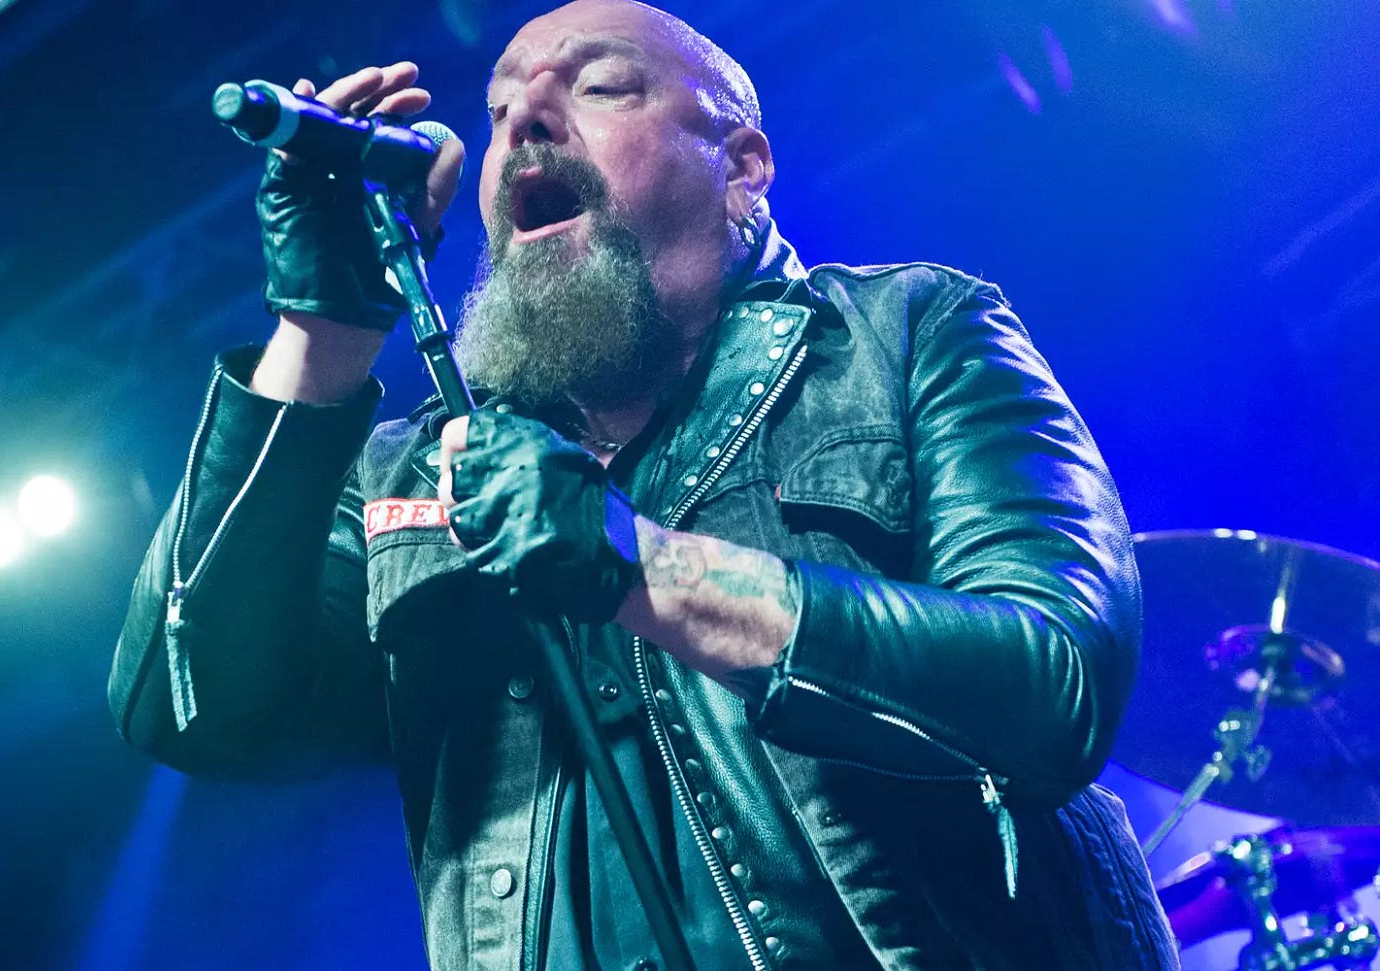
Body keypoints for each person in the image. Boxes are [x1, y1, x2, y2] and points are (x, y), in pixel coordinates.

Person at [110, 0, 1181, 967]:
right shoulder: (416, 471)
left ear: (742, 168)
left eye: (599, 85)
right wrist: (324, 329)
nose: (523, 120)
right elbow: (188, 704)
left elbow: (1056, 688)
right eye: (497, 110)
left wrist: (637, 561)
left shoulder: (907, 335)